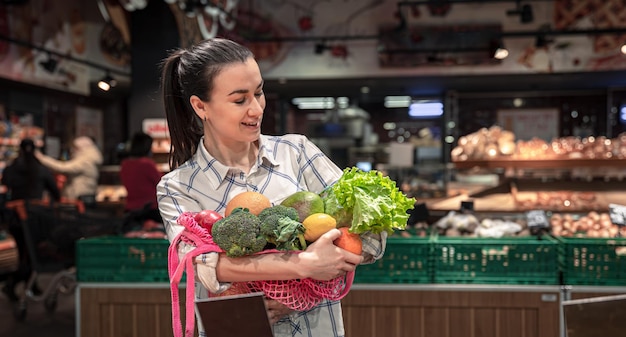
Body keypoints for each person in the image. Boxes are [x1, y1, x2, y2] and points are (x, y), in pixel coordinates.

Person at [156, 38, 387, 337]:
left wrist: (304, 292)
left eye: (259, 93)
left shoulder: (298, 153)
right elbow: (198, 265)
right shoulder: (177, 187)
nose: (256, 109)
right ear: (201, 106)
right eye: (240, 100)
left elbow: (372, 235)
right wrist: (303, 265)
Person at [1, 138, 61, 302]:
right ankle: (18, 283)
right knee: (33, 254)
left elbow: (5, 186)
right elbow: (55, 192)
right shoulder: (40, 169)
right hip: (35, 219)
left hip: (15, 218)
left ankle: (25, 285)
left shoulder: (11, 169)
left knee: (25, 254)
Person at [35, 136, 103, 205]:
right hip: (82, 196)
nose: (72, 151)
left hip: (79, 197)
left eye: (75, 148)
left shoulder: (86, 160)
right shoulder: (89, 158)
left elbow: (63, 168)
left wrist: (41, 158)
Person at [119, 132, 164, 229]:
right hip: (150, 209)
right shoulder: (147, 164)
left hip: (131, 209)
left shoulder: (125, 164)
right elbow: (161, 183)